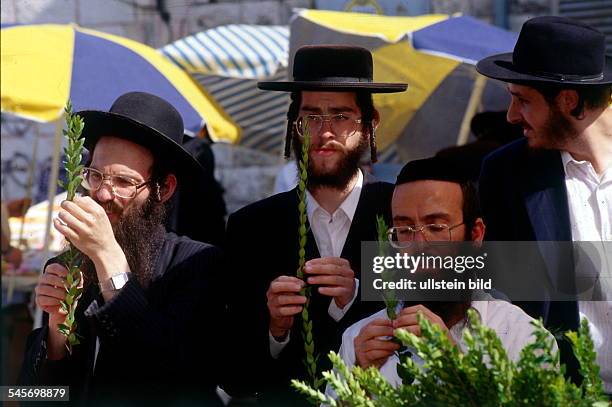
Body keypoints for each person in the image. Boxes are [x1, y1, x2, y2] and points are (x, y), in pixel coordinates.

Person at [222, 45, 407, 403]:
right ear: (294, 125)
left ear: (370, 124)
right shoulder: (252, 228)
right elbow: (235, 375)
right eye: (311, 117)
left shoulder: (402, 212)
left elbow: (444, 314)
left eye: (340, 116)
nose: (324, 133)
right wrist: (275, 329)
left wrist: (356, 293)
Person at [19, 92, 225, 404]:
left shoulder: (197, 263)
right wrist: (57, 333)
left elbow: (172, 378)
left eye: (124, 182)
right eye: (96, 176)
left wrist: (108, 258)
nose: (102, 194)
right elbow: (33, 397)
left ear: (164, 189)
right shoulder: (67, 266)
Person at [476, 16, 611, 390]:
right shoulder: (506, 174)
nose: (511, 116)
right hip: (556, 392)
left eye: (523, 100)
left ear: (568, 101)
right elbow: (495, 290)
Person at [336, 157, 552, 387]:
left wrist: (455, 366)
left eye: (437, 227)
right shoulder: (360, 340)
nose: (419, 244)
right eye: (405, 229)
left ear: (476, 234)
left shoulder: (524, 337)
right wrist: (358, 383)